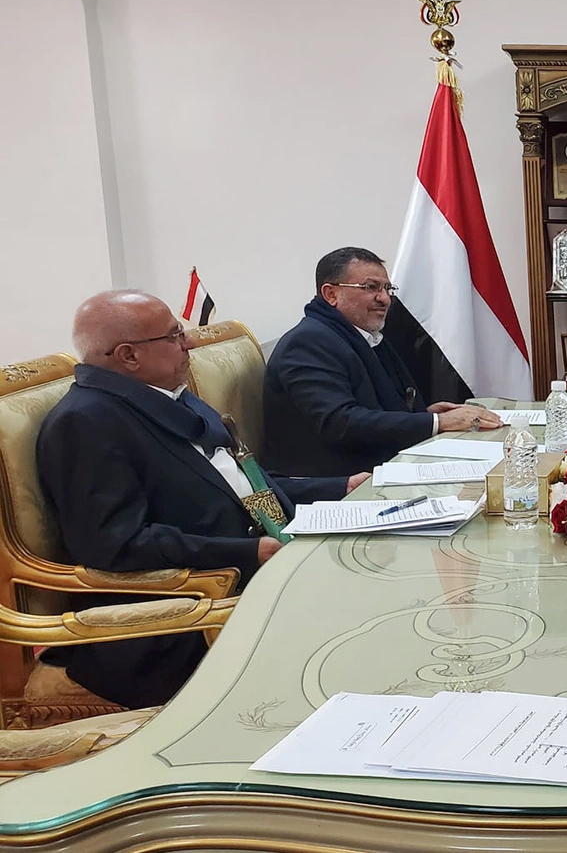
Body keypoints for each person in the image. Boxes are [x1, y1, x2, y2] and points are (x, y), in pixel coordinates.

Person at [35, 291, 362, 708]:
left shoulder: (165, 394)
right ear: (129, 355)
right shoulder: (86, 422)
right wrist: (246, 552)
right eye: (174, 336)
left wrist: (337, 488)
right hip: (175, 619)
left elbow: (241, 486)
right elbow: (115, 545)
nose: (189, 342)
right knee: (350, 637)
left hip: (257, 569)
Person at [262, 247, 501, 476]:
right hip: (337, 481)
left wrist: (423, 414)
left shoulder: (363, 336)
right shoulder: (308, 343)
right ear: (331, 294)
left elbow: (372, 407)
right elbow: (341, 423)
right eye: (371, 287)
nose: (385, 299)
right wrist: (435, 422)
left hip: (378, 464)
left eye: (387, 288)